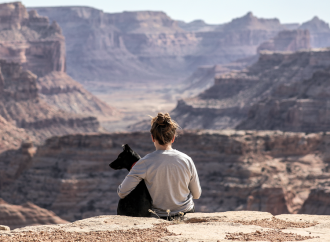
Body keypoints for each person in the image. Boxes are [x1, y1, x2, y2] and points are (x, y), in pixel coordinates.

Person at [117, 112, 202, 218]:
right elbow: (197, 195)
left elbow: (122, 192)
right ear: (173, 138)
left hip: (159, 217)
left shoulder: (144, 163)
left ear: (152, 138)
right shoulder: (187, 160)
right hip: (185, 213)